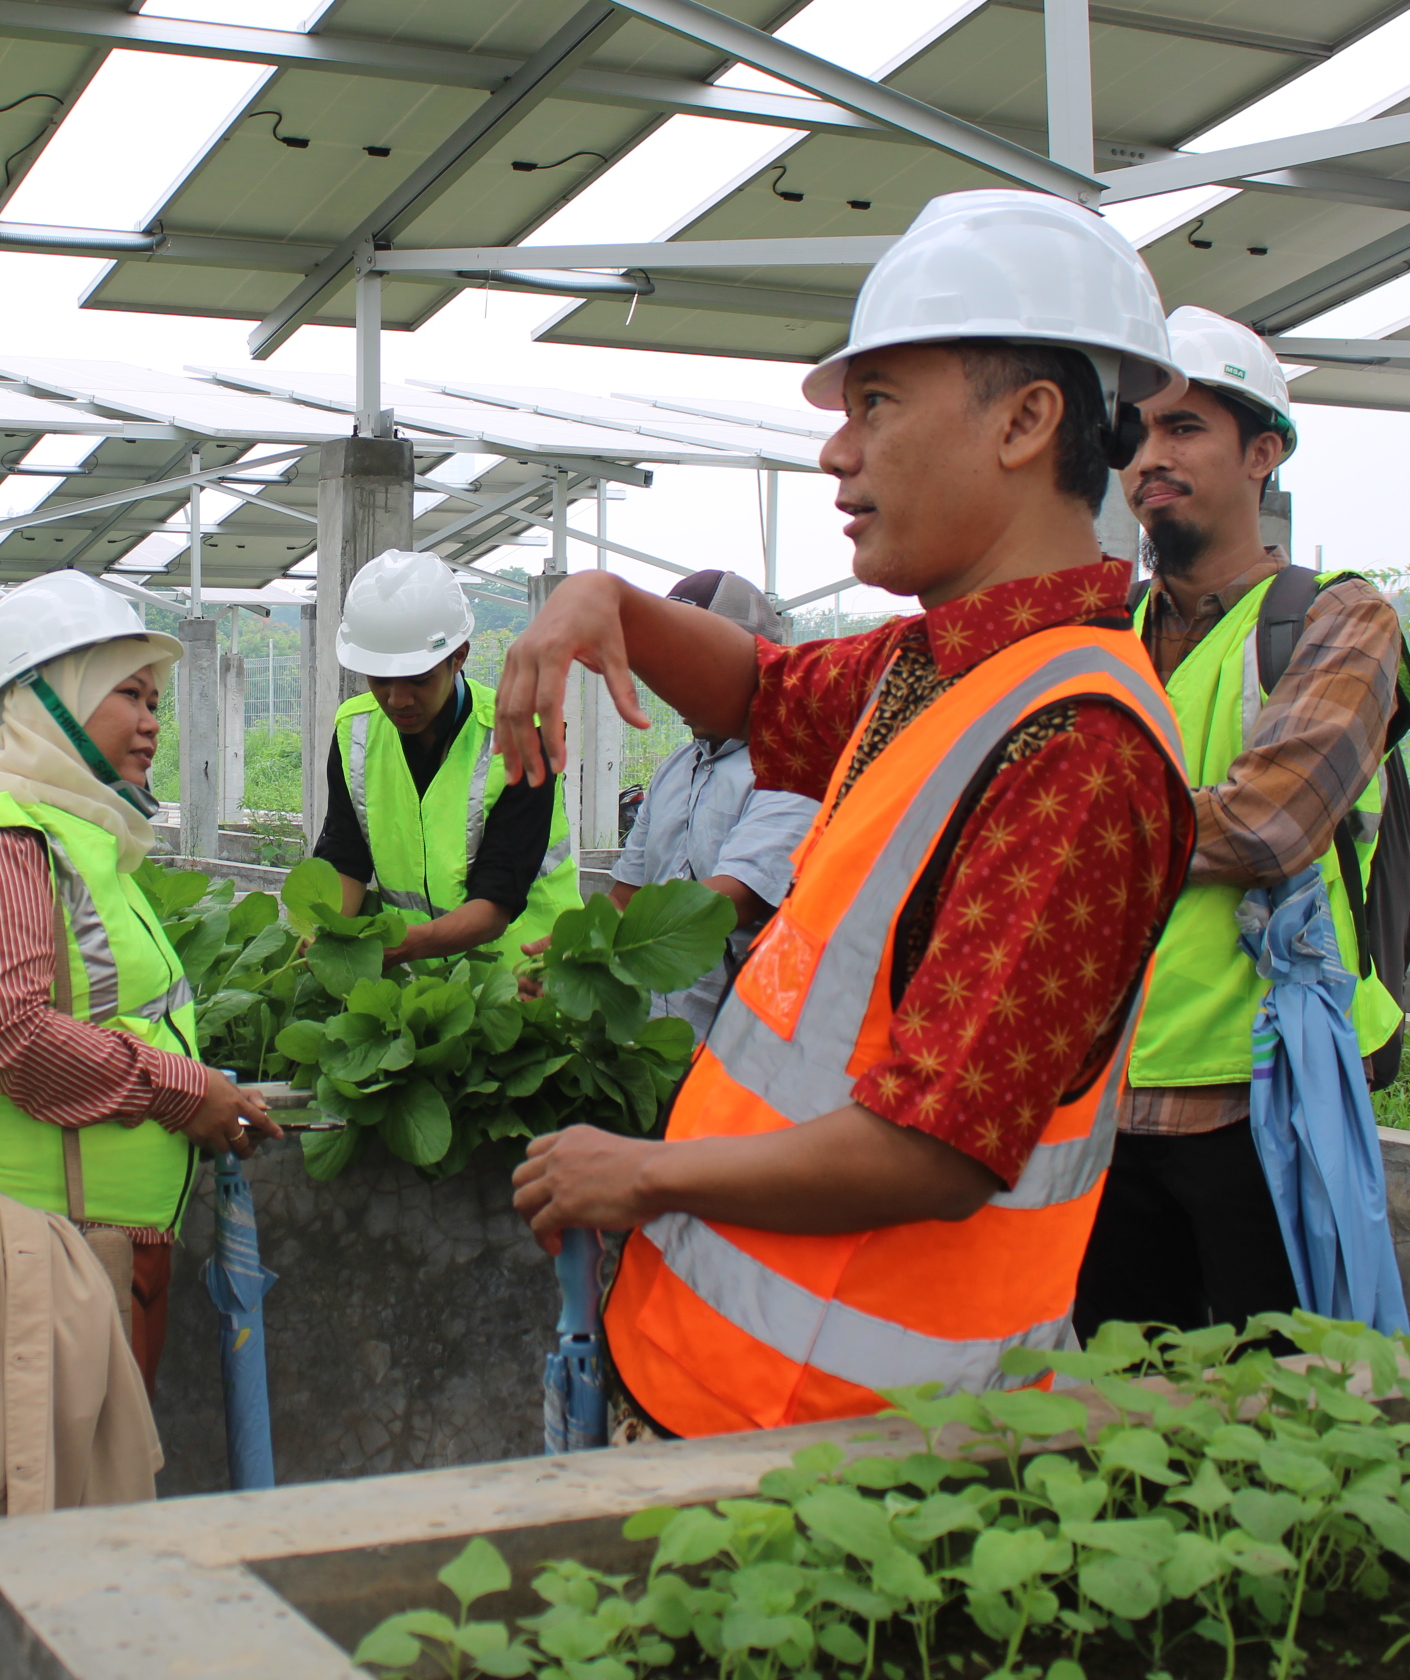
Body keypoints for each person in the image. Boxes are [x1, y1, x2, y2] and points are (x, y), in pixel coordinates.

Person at [499, 187, 1197, 1435]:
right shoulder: (933, 664)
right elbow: (763, 691)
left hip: (848, 1444)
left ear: (1026, 422)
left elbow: (936, 1148)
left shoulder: (1078, 749)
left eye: (875, 404)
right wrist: (608, 597)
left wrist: (646, 1171)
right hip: (719, 1385)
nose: (836, 449)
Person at [1074, 307, 1408, 1338]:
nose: (1151, 462)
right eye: (1139, 438)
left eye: (1186, 431)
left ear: (1263, 453)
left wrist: (1068, 835)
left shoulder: (1337, 620)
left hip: (1266, 1091)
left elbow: (1272, 822)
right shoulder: (1096, 636)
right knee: (1128, 1410)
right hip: (1111, 1092)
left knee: (1293, 1397)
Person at [0, 569, 282, 1397]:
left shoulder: (78, 840)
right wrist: (187, 1092)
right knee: (42, 1514)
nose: (152, 725)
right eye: (131, 697)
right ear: (55, 702)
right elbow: (6, 1033)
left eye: (156, 704)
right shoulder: (0, 845)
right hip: (22, 1256)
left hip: (89, 1250)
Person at [310, 548, 584, 964]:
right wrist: (326, 935)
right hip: (422, 990)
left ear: (458, 657)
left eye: (418, 680)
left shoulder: (520, 734)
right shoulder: (356, 730)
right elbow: (345, 856)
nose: (398, 699)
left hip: (527, 981)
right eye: (380, 681)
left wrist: (394, 950)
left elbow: (497, 899)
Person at [603, 570, 819, 1041]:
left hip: (740, 1048)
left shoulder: (789, 771)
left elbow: (731, 902)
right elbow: (627, 895)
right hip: (653, 1041)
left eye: (691, 664)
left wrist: (605, 946)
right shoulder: (677, 767)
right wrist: (575, 953)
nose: (672, 683)